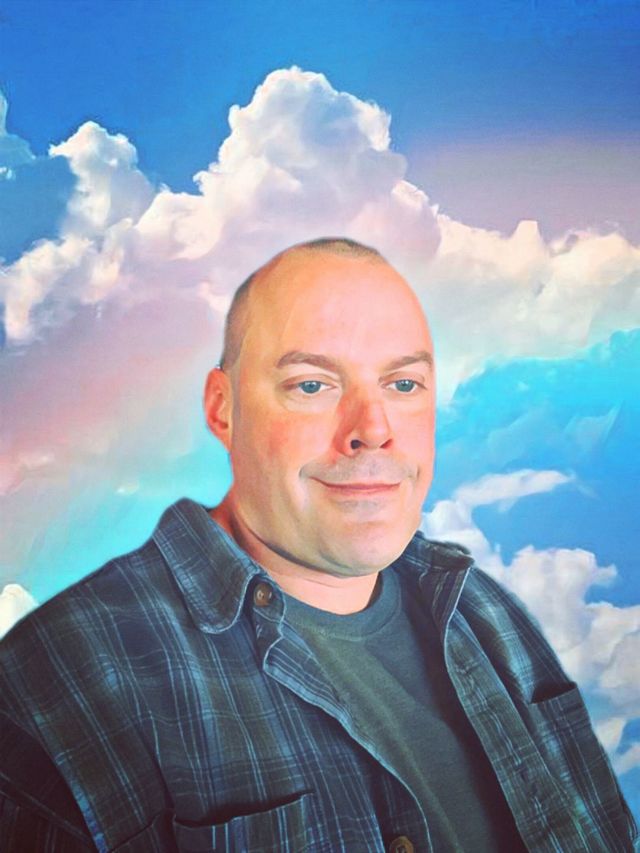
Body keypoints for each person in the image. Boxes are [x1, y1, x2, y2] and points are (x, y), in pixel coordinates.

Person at [0, 238, 636, 853]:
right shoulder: (53, 685)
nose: (373, 430)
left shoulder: (485, 609)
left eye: (403, 384)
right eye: (312, 385)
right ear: (223, 409)